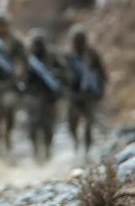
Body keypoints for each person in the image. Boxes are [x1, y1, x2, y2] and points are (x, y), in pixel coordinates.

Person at [0, 9, 27, 158]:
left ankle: (8, 139)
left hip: (9, 83)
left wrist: (18, 72)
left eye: (3, 25)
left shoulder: (15, 41)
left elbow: (23, 60)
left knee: (9, 112)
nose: (0, 28)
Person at [23, 28, 69, 162]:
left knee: (48, 126)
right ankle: (36, 152)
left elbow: (64, 73)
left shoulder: (53, 56)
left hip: (49, 97)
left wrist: (55, 74)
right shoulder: (27, 58)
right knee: (33, 125)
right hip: (33, 96)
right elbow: (19, 75)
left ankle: (48, 150)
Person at [63, 23, 108, 155]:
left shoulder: (91, 54)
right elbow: (60, 73)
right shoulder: (67, 55)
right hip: (73, 95)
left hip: (88, 95)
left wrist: (99, 89)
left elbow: (101, 73)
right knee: (72, 124)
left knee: (89, 124)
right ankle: (75, 144)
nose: (78, 43)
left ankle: (87, 151)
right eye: (76, 40)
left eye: (81, 40)